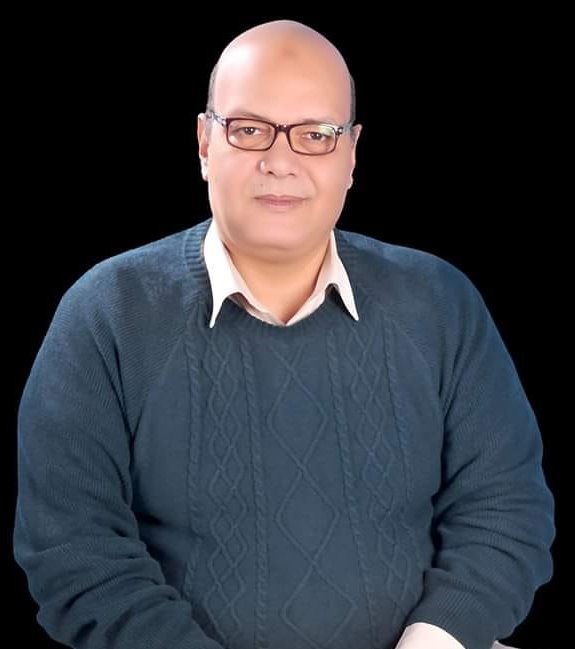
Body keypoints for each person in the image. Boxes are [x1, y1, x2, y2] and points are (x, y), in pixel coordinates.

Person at [14, 19, 554, 649]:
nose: (280, 161)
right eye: (249, 130)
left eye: (315, 135)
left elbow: (505, 512)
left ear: (352, 155)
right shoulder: (107, 313)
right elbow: (75, 555)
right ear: (204, 143)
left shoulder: (440, 303)